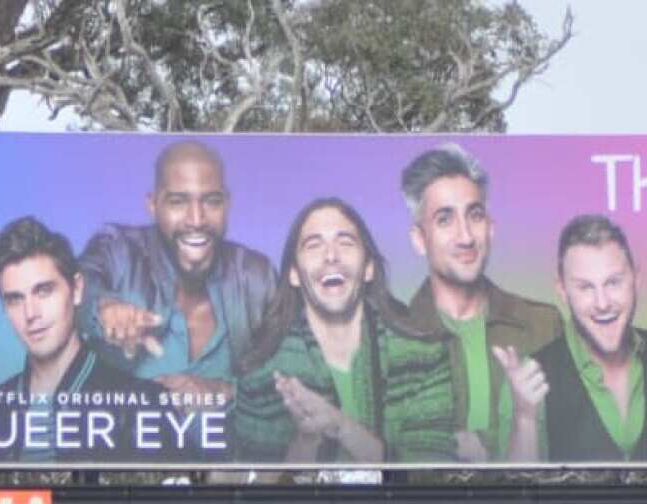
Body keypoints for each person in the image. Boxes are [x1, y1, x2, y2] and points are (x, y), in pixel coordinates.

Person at [232, 198, 458, 463]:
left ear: (368, 269)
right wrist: (306, 441)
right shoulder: (261, 375)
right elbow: (258, 485)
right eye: (314, 245)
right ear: (294, 274)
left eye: (345, 242)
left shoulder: (425, 357)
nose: (331, 256)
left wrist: (341, 427)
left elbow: (429, 475)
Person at [501, 214, 647, 463]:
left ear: (636, 279)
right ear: (562, 290)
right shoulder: (528, 378)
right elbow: (516, 484)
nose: (602, 303)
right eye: (585, 287)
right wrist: (525, 419)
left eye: (613, 282)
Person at [0, 217, 173, 463]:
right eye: (15, 299)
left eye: (44, 291)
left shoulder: (141, 405)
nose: (31, 313)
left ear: (77, 290)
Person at [77, 140, 276, 412]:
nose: (196, 219)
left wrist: (224, 391)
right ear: (153, 204)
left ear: (227, 204)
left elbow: (288, 375)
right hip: (120, 437)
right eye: (178, 202)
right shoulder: (118, 249)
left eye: (212, 201)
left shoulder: (257, 276)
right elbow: (78, 284)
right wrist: (105, 308)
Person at [400, 143, 561, 461]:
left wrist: (488, 446)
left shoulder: (543, 325)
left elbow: (567, 441)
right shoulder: (395, 335)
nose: (465, 237)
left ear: (490, 228)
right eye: (444, 219)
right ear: (419, 239)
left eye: (474, 216)